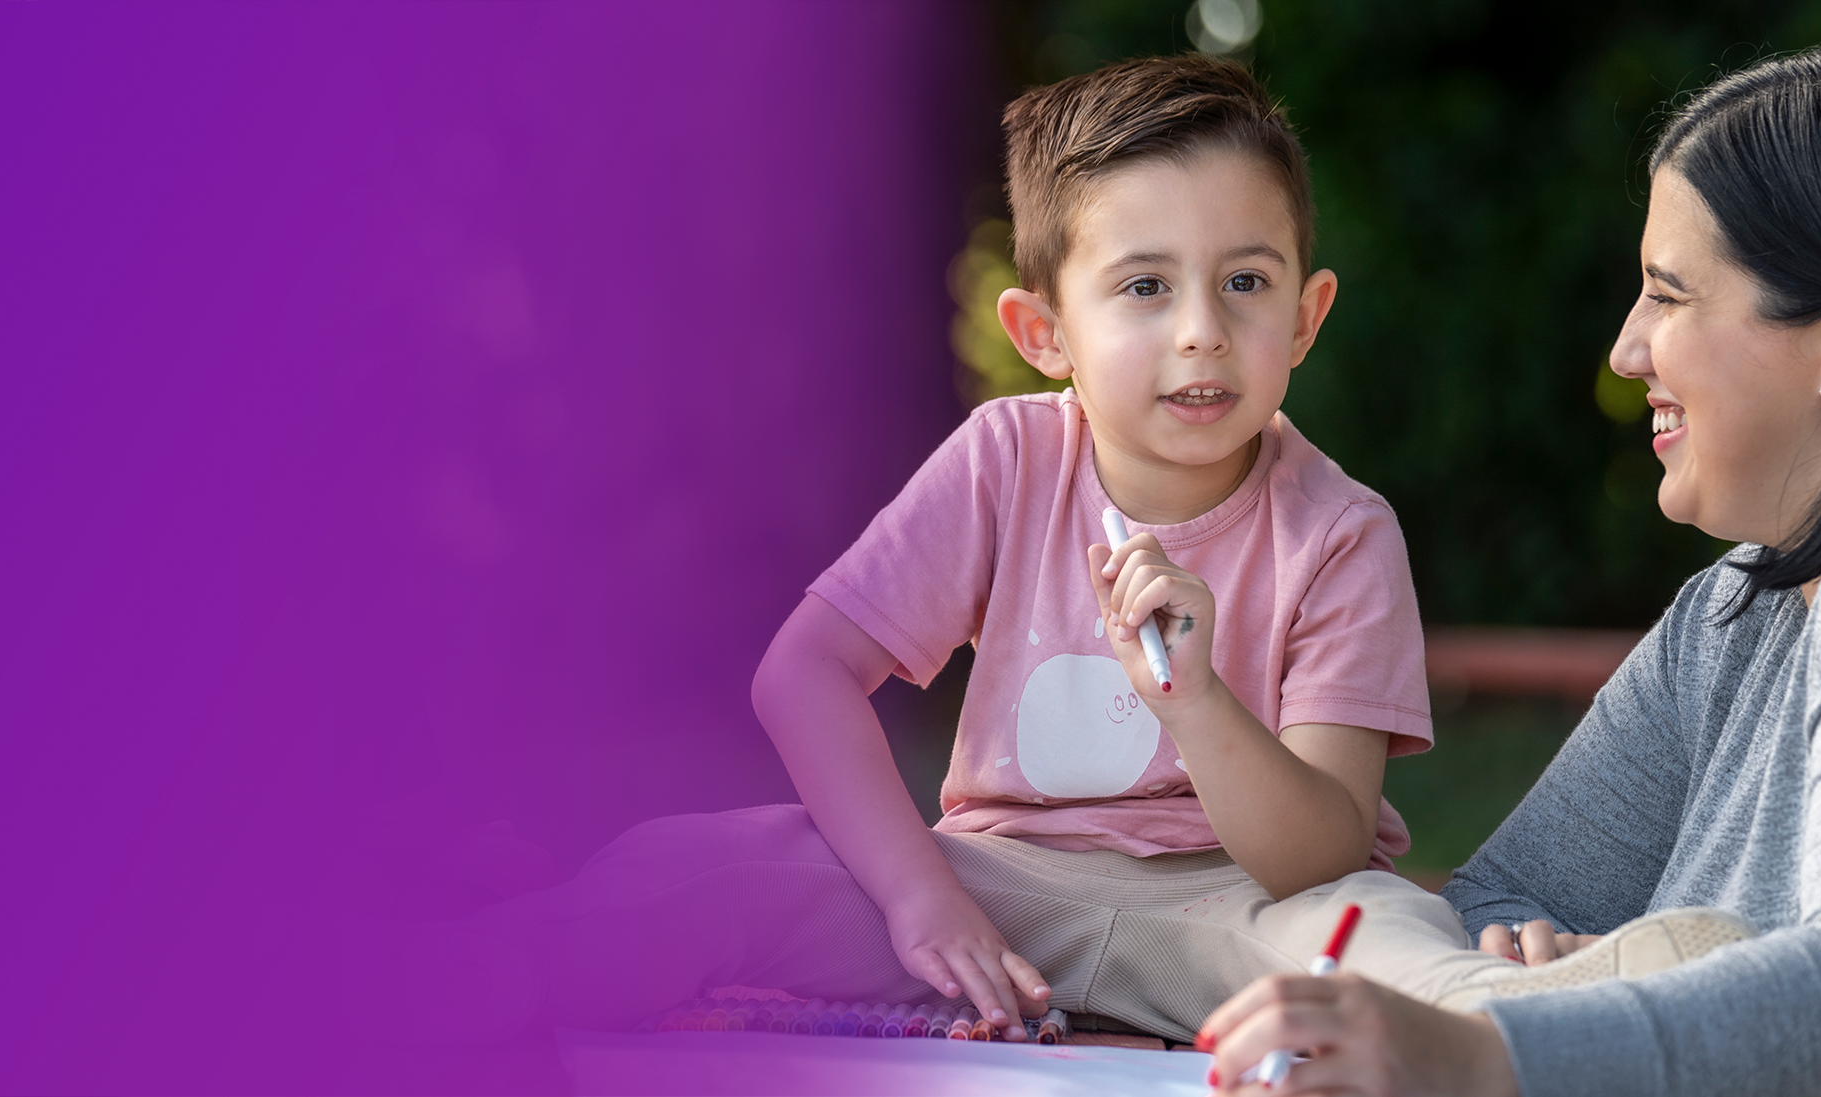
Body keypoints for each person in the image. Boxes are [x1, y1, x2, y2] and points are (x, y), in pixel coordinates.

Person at [441, 53, 1518, 1044]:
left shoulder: (1339, 529)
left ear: (1305, 315)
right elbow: (805, 673)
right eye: (1145, 285)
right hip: (992, 880)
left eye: (1245, 281)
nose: (1201, 327)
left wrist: (1193, 697)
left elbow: (1320, 855)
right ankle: (418, 992)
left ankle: (1586, 1023)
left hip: (1235, 910)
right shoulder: (1006, 457)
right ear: (1042, 333)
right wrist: (922, 897)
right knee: (694, 869)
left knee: (1382, 939)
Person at [1197, 40, 1821, 1096]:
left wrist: (1497, 1050)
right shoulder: (1728, 613)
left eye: (1668, 295)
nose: (1626, 349)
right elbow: (1488, 911)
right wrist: (1566, 971)